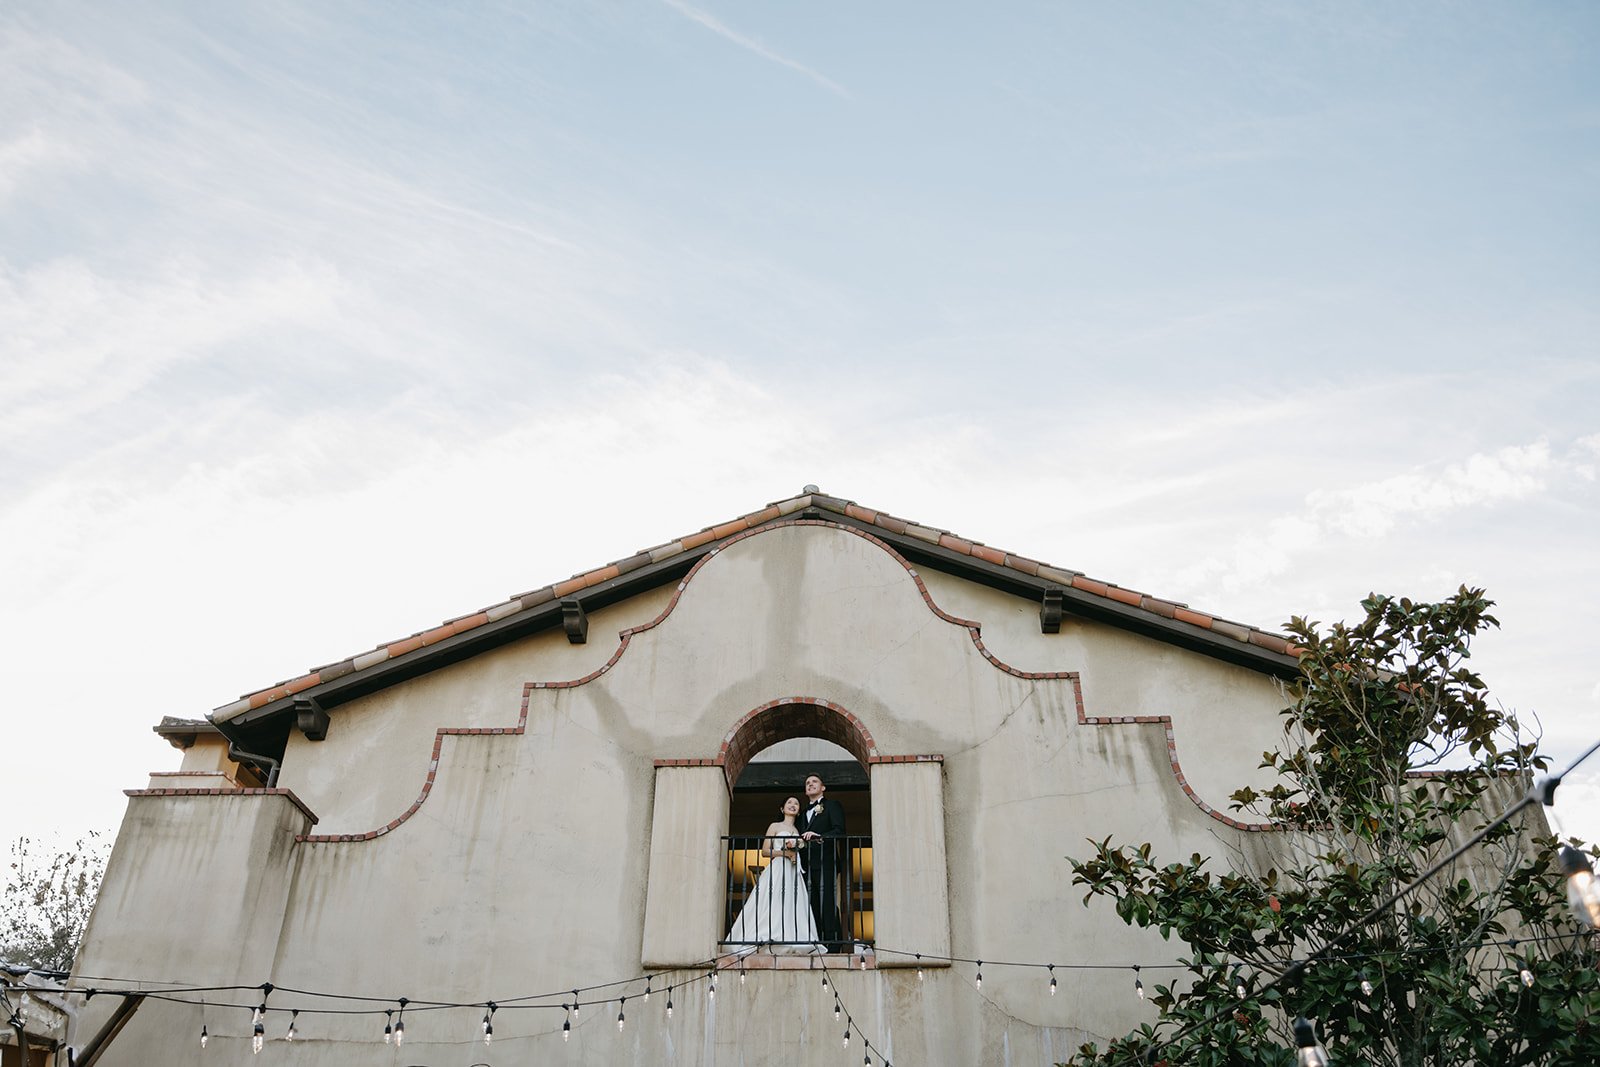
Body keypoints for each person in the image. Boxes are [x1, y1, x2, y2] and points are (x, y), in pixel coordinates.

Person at [722, 797, 824, 954]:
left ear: (798, 811)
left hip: (792, 871)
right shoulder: (775, 826)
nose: (793, 805)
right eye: (789, 803)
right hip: (778, 868)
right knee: (774, 899)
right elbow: (764, 851)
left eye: (796, 804)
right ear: (782, 809)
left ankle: (791, 935)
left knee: (792, 902)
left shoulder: (798, 831)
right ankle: (770, 934)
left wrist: (794, 851)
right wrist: (785, 853)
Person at [797, 773, 848, 952]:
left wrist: (820, 837)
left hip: (826, 861)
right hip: (807, 866)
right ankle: (817, 941)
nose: (810, 785)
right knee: (811, 903)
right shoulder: (802, 814)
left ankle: (833, 944)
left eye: (814, 782)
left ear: (823, 787)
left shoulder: (832, 806)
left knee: (827, 901)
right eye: (807, 783)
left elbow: (839, 831)